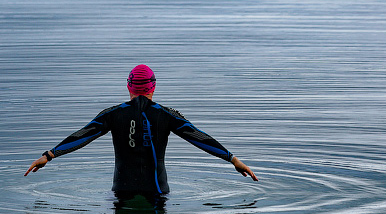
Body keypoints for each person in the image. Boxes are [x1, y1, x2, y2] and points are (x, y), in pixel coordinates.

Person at [24, 64, 258, 197]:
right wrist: (232, 159)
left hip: (121, 191)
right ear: (153, 87)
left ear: (128, 86)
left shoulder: (112, 114)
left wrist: (49, 155)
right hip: (157, 191)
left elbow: (83, 135)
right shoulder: (167, 115)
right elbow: (198, 137)